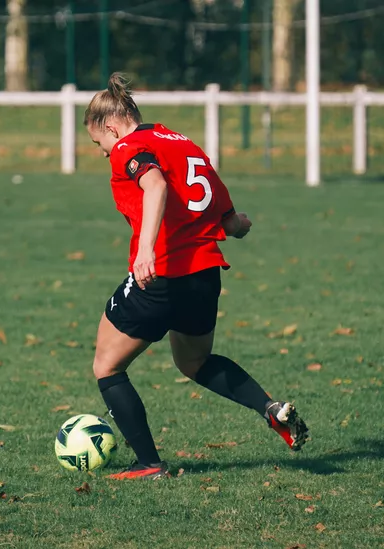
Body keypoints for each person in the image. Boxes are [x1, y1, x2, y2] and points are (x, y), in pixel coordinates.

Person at [84, 73, 309, 480]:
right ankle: (270, 409)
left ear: (112, 127)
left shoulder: (129, 147)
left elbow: (155, 186)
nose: (103, 153)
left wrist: (147, 250)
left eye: (99, 143)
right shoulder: (183, 143)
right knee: (194, 361)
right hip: (204, 275)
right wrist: (239, 225)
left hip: (162, 273)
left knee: (106, 365)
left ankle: (149, 464)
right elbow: (229, 219)